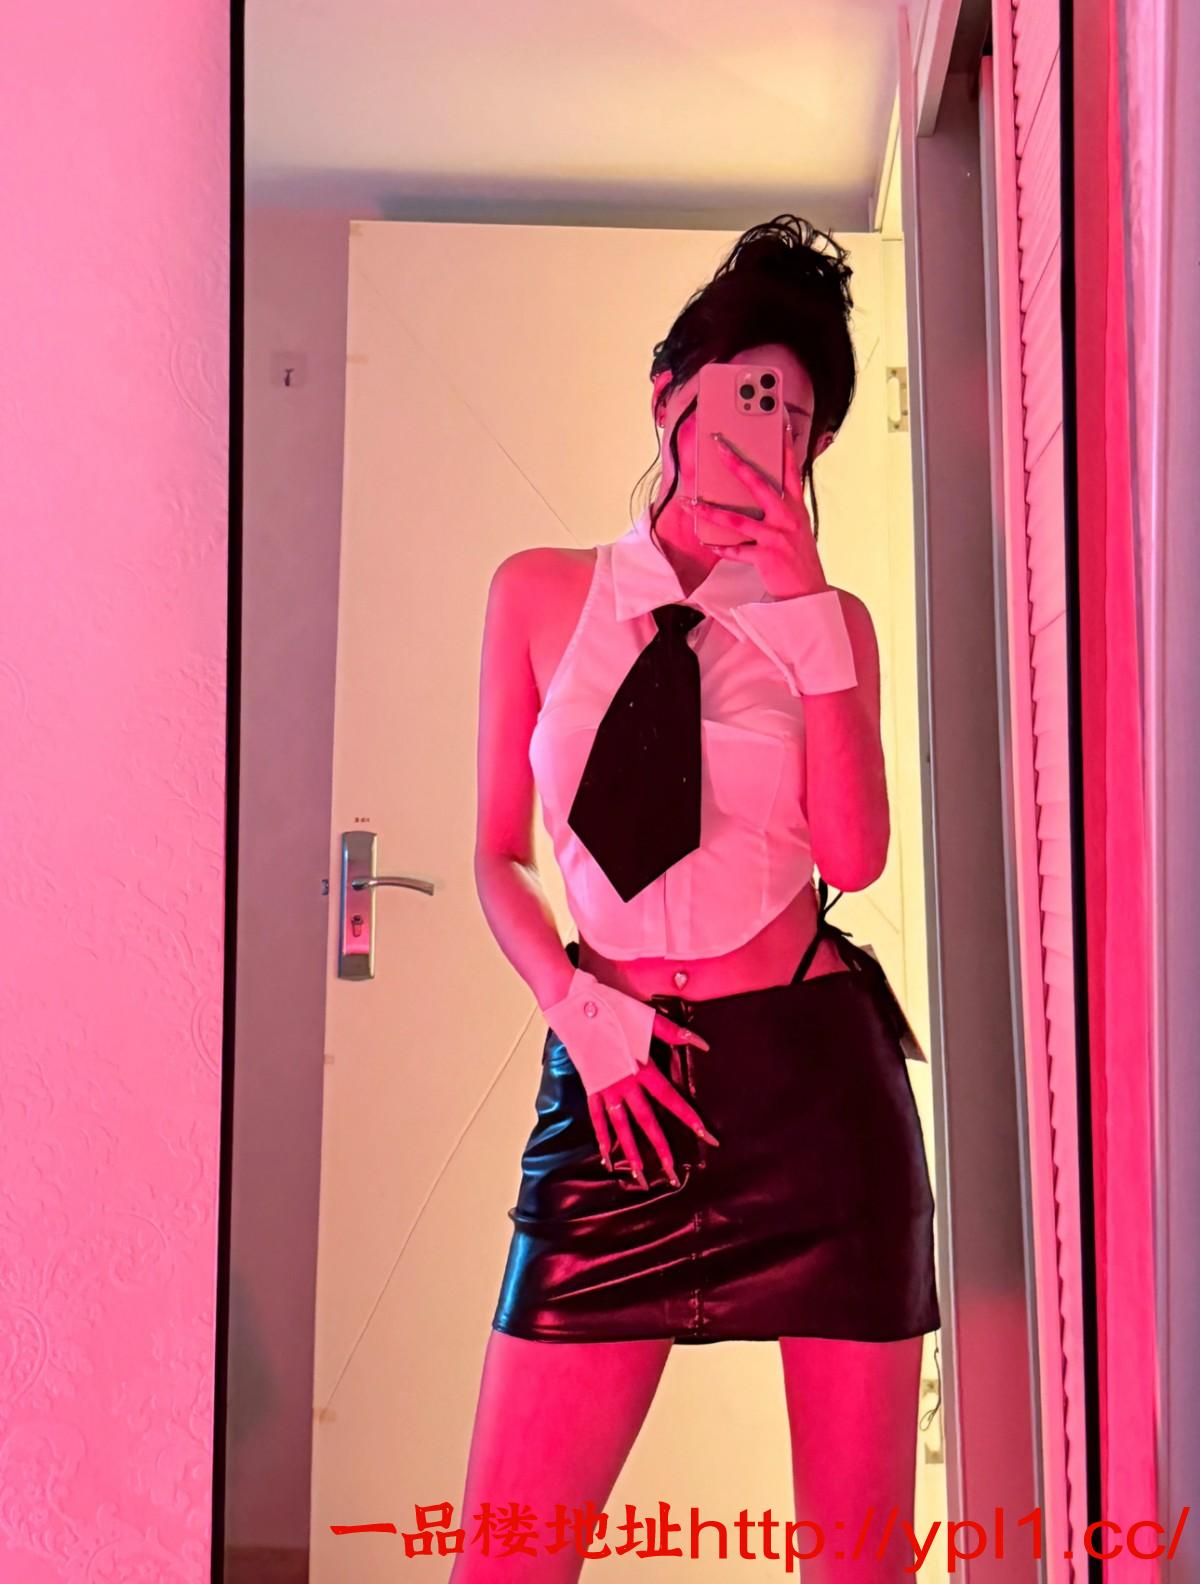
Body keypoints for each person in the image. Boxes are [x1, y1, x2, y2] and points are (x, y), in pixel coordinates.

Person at [458, 216, 940, 1583]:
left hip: (811, 1092)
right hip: (614, 1084)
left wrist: (803, 612)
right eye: (744, 395)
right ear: (669, 392)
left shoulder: (829, 626)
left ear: (817, 449)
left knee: (858, 1565)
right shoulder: (538, 595)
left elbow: (855, 857)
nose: (764, 437)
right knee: (507, 1560)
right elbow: (495, 854)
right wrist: (576, 1010)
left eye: (798, 419)